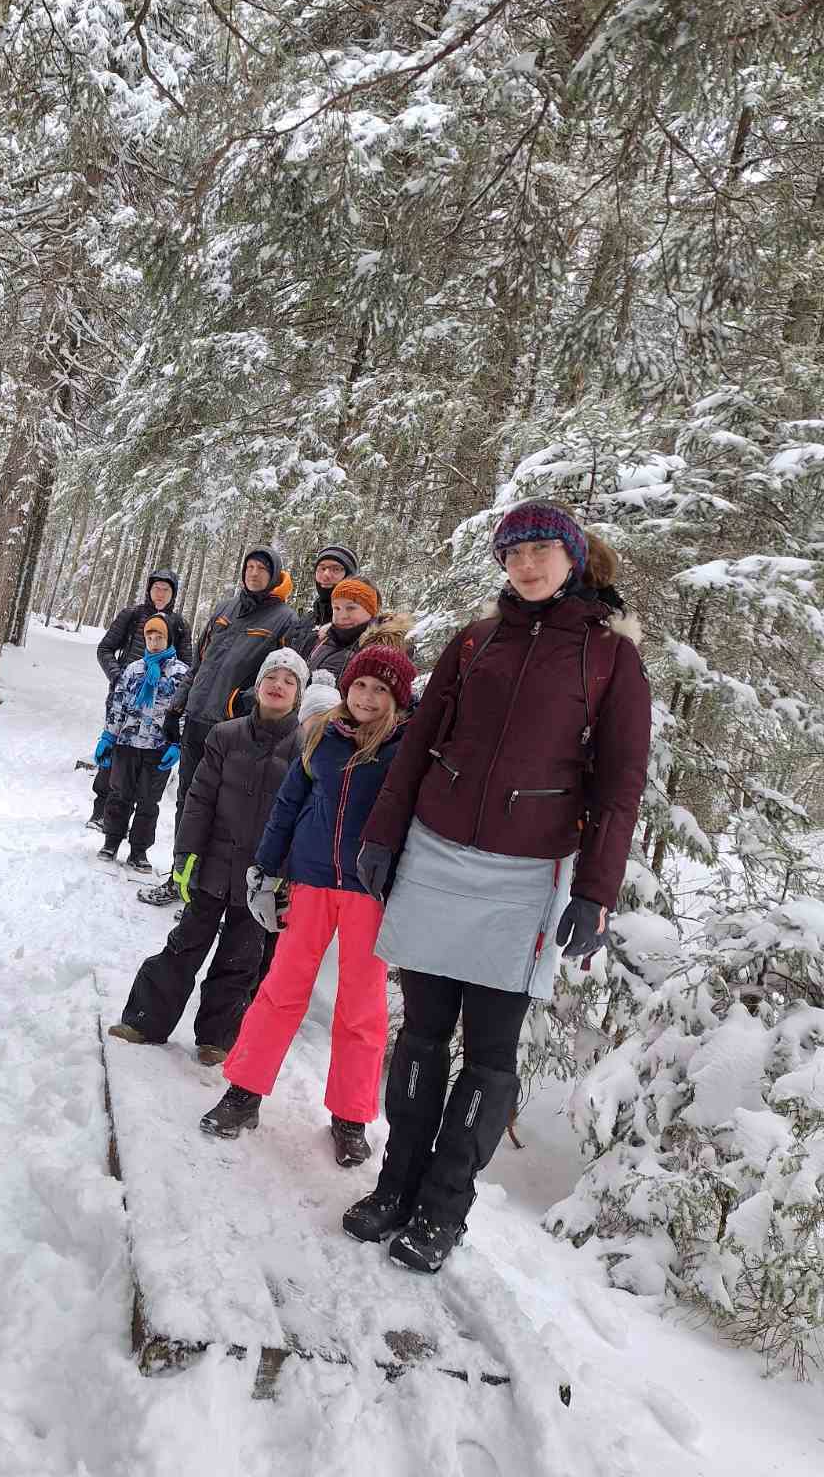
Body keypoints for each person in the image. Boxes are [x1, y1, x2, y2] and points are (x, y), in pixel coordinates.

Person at [343, 499, 650, 1274]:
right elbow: (419, 742)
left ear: (573, 557)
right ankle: (395, 1186)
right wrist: (384, 832)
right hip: (436, 853)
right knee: (420, 1034)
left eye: (541, 549)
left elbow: (619, 786)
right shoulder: (476, 640)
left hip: (526, 875)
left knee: (488, 1054)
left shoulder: (611, 657)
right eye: (513, 553)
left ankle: (444, 1209)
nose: (526, 564)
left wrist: (596, 891)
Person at [199, 639, 418, 1165]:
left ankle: (350, 1116)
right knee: (280, 990)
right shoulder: (321, 736)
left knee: (362, 1008)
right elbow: (287, 804)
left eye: (380, 689)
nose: (366, 697)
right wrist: (265, 868)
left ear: (397, 699)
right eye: (359, 684)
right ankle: (244, 1093)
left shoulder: (405, 751)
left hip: (369, 893)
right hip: (310, 881)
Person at [108, 648, 309, 1062]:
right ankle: (145, 1020)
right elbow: (199, 800)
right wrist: (186, 856)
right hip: (213, 865)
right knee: (184, 945)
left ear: (299, 694)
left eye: (289, 681)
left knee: (241, 959)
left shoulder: (306, 748)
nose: (278, 685)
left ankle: (218, 1038)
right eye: (272, 677)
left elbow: (304, 820)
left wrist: (287, 875)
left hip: (263, 878)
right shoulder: (225, 735)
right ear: (258, 685)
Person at [137, 545, 299, 906]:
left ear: (274, 576)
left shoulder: (284, 619)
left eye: (262, 569)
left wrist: (242, 706)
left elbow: (282, 676)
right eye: (249, 566)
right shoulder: (225, 609)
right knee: (189, 803)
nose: (254, 573)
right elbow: (200, 663)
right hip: (197, 721)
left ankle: (206, 893)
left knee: (223, 811)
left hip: (235, 731)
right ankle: (180, 879)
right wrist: (177, 707)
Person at [90, 569, 191, 831]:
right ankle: (100, 811)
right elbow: (105, 649)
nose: (160, 594)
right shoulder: (132, 615)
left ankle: (132, 823)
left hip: (160, 707)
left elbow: (187, 667)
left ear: (173, 594)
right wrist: (118, 675)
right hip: (125, 697)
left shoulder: (179, 624)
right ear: (149, 589)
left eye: (166, 590)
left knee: (146, 766)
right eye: (156, 588)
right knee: (113, 751)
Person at [93, 614, 189, 873]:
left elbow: (184, 712)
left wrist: (177, 744)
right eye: (150, 637)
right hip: (127, 744)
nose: (154, 642)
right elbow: (118, 705)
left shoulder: (180, 673)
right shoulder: (133, 669)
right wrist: (108, 737)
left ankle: (139, 851)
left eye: (159, 637)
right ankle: (111, 841)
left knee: (148, 802)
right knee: (119, 795)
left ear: (169, 639)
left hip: (158, 749)